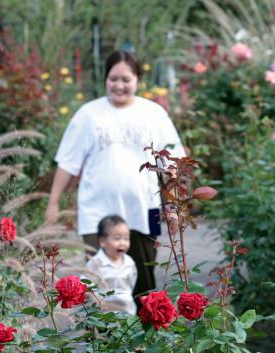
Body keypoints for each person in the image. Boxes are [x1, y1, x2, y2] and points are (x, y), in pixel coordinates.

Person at [45, 49, 186, 296]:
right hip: (97, 213)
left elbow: (172, 163)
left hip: (146, 210)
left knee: (144, 287)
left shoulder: (153, 114)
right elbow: (67, 163)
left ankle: (147, 334)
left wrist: (174, 208)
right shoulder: (88, 115)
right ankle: (100, 336)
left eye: (126, 79)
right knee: (101, 286)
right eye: (113, 79)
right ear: (105, 80)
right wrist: (53, 203)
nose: (119, 85)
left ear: (137, 81)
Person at [86, 215, 137, 315]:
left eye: (126, 238)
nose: (123, 243)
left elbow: (132, 282)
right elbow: (87, 286)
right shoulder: (95, 263)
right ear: (102, 241)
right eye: (117, 238)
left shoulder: (129, 262)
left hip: (128, 312)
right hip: (105, 316)